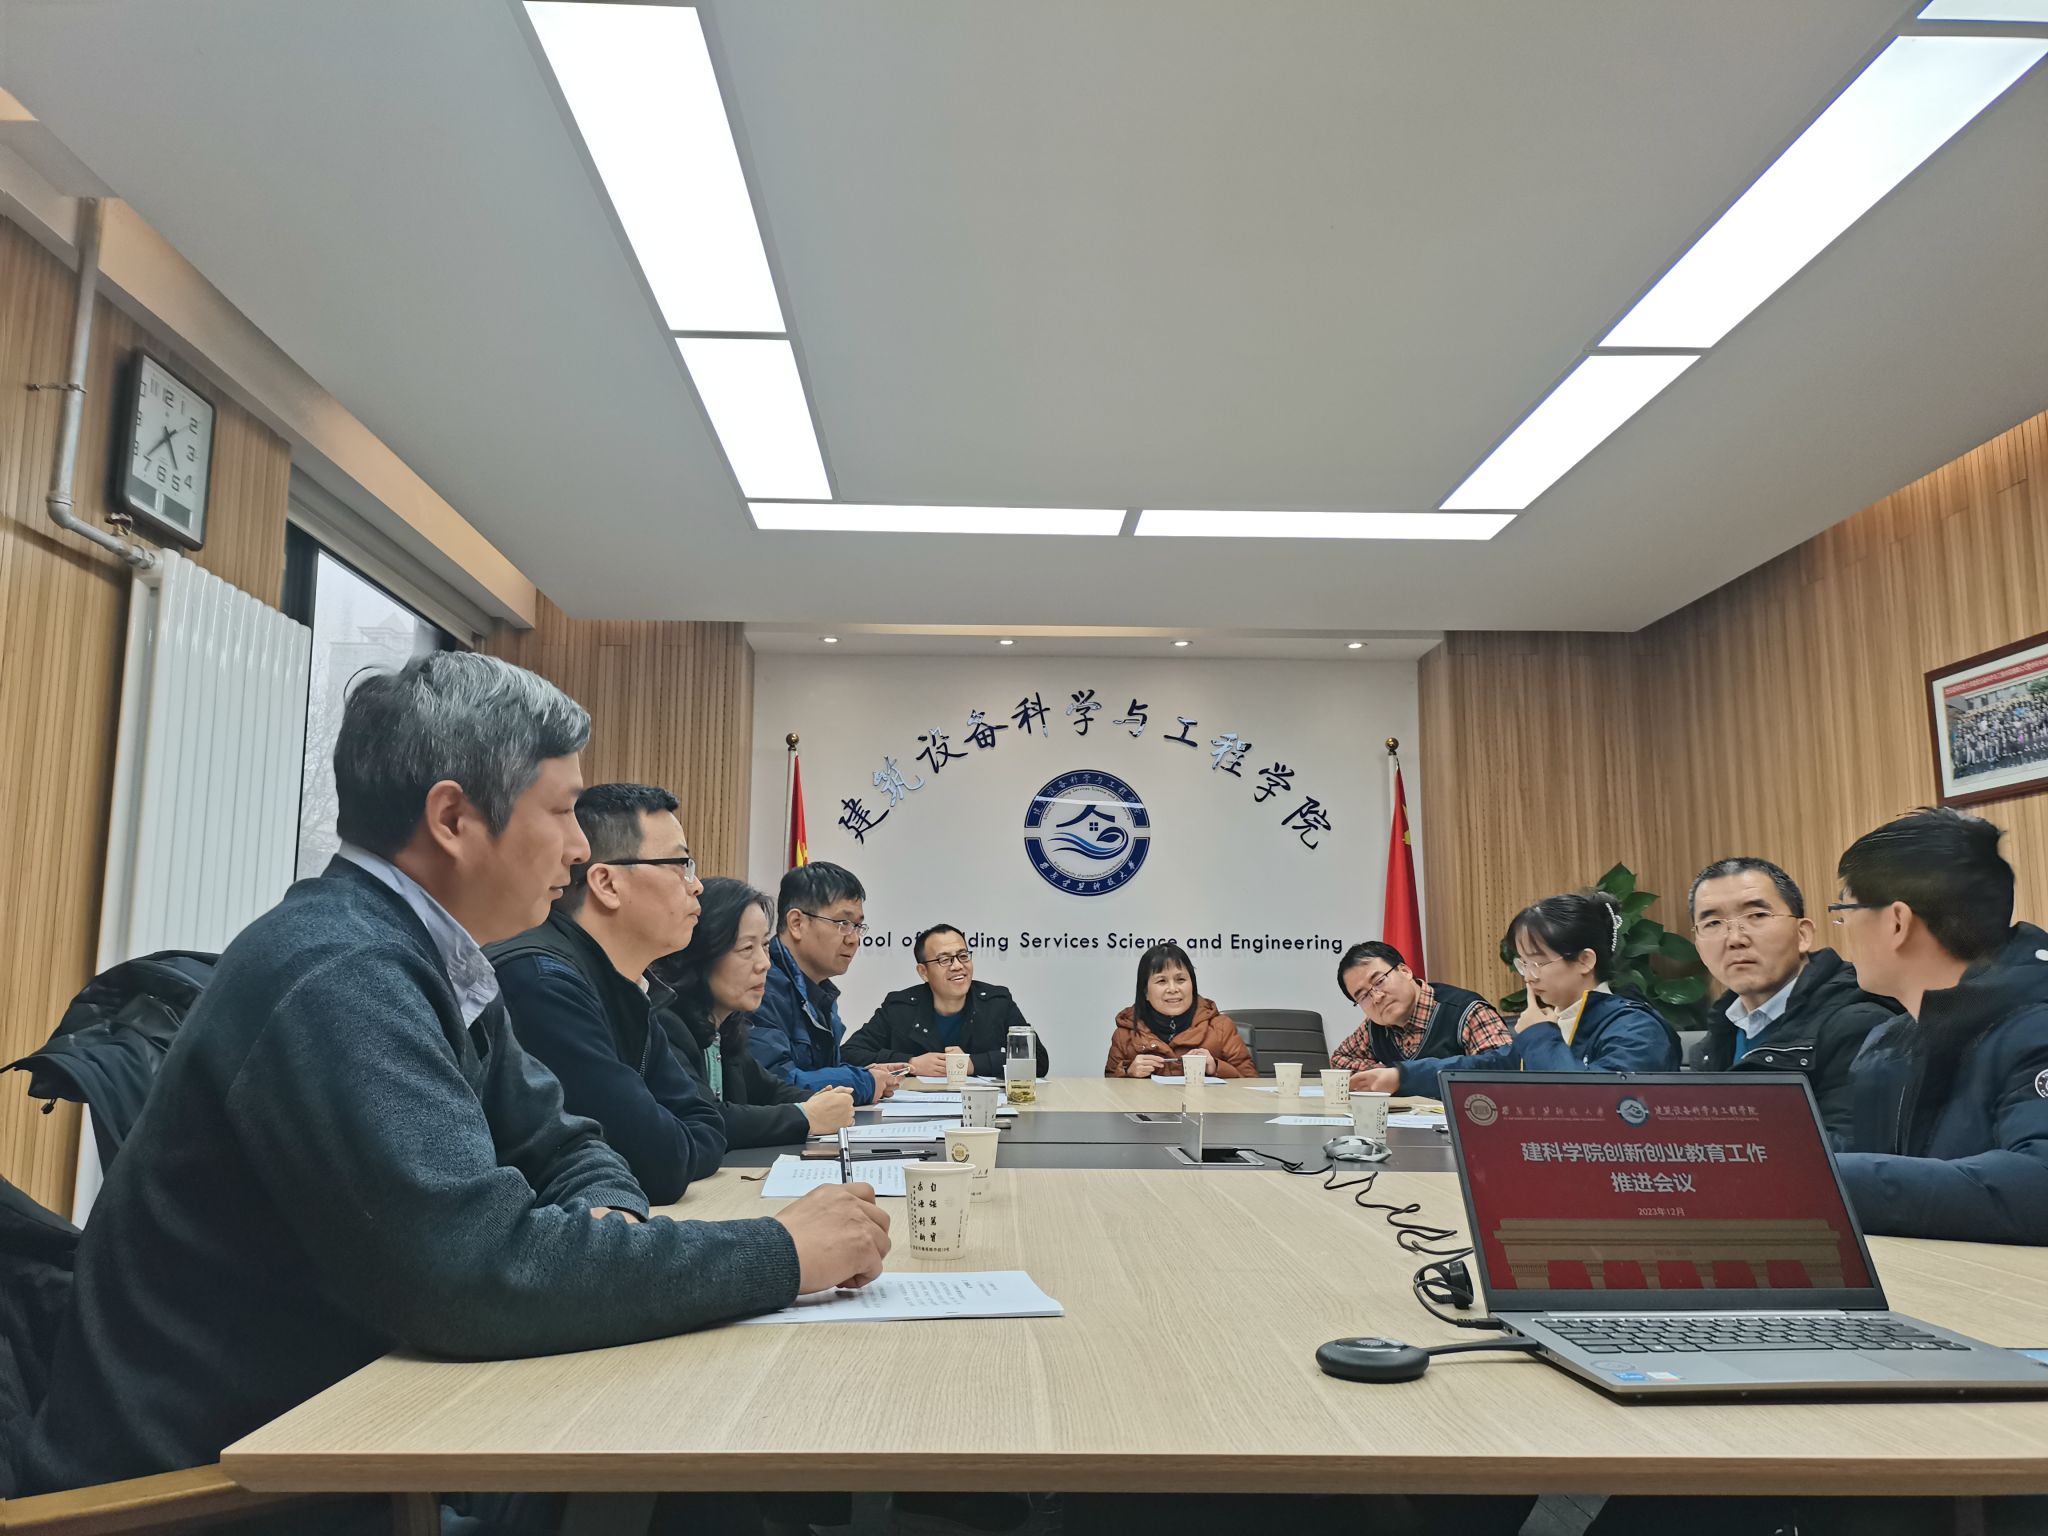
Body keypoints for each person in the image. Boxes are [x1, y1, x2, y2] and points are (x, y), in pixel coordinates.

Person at [19, 653, 890, 1499]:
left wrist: (607, 1227)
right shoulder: (342, 973)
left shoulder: (435, 960)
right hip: (232, 1489)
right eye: (562, 811)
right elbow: (474, 1274)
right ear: (452, 818)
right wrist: (781, 1253)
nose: (579, 849)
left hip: (358, 1433)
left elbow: (570, 1145)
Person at [488, 783, 724, 1204]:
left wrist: (682, 1148)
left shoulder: (624, 982)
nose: (696, 885)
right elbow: (658, 1163)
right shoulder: (541, 982)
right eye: (681, 864)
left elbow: (706, 1123)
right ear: (607, 883)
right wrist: (681, 1148)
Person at [1831, 807, 2048, 1245]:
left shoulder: (2036, 1028)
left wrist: (1824, 1178)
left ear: (1897, 922)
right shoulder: (1887, 1040)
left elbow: (2039, 1183)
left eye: (1846, 908)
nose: (1844, 927)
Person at [1353, 891, 1680, 1096]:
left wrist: (1538, 1034)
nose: (1528, 976)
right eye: (1523, 963)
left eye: (1538, 962)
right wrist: (1401, 1076)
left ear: (1585, 960)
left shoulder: (1635, 1028)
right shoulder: (1559, 1019)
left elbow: (1593, 1105)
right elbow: (1484, 1068)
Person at [1687, 856, 1895, 1146]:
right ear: (1699, 947)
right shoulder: (1717, 1039)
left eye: (1757, 915)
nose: (1734, 938)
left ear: (1803, 934)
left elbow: (1849, 1153)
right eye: (1713, 923)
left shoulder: (1860, 1025)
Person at [653, 878, 857, 1149]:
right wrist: (807, 1116)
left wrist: (824, 1101)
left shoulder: (724, 1027)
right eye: (747, 948)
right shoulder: (663, 1023)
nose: (764, 963)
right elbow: (708, 1119)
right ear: (700, 952)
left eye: (765, 946)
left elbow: (771, 1091)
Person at [750, 862, 895, 1103]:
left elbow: (815, 1070)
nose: (854, 939)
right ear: (797, 923)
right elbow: (773, 1084)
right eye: (843, 923)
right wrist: (863, 1081)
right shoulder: (761, 985)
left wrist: (866, 1073)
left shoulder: (819, 990)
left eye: (858, 926)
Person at [842, 923, 1051, 1080]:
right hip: (918, 1111)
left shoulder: (997, 1002)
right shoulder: (899, 1008)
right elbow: (849, 1054)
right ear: (923, 972)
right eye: (944, 960)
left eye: (963, 956)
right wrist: (911, 1063)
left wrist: (972, 1064)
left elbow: (1038, 1061)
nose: (958, 966)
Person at [1327, 941, 1514, 1089]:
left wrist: (1403, 1076)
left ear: (1405, 971)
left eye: (1379, 981)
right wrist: (1381, 1073)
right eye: (1363, 996)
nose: (1376, 997)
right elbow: (1340, 1060)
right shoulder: (1374, 1026)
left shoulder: (1466, 1010)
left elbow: (1502, 1066)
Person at [1104, 943, 1255, 1078]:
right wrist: (1128, 1072)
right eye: (1161, 981)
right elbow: (1109, 1088)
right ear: (1146, 992)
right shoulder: (1124, 1035)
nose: (1173, 989)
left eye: (1180, 980)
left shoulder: (1221, 1027)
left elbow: (1250, 1080)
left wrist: (1216, 1067)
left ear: (1192, 985)